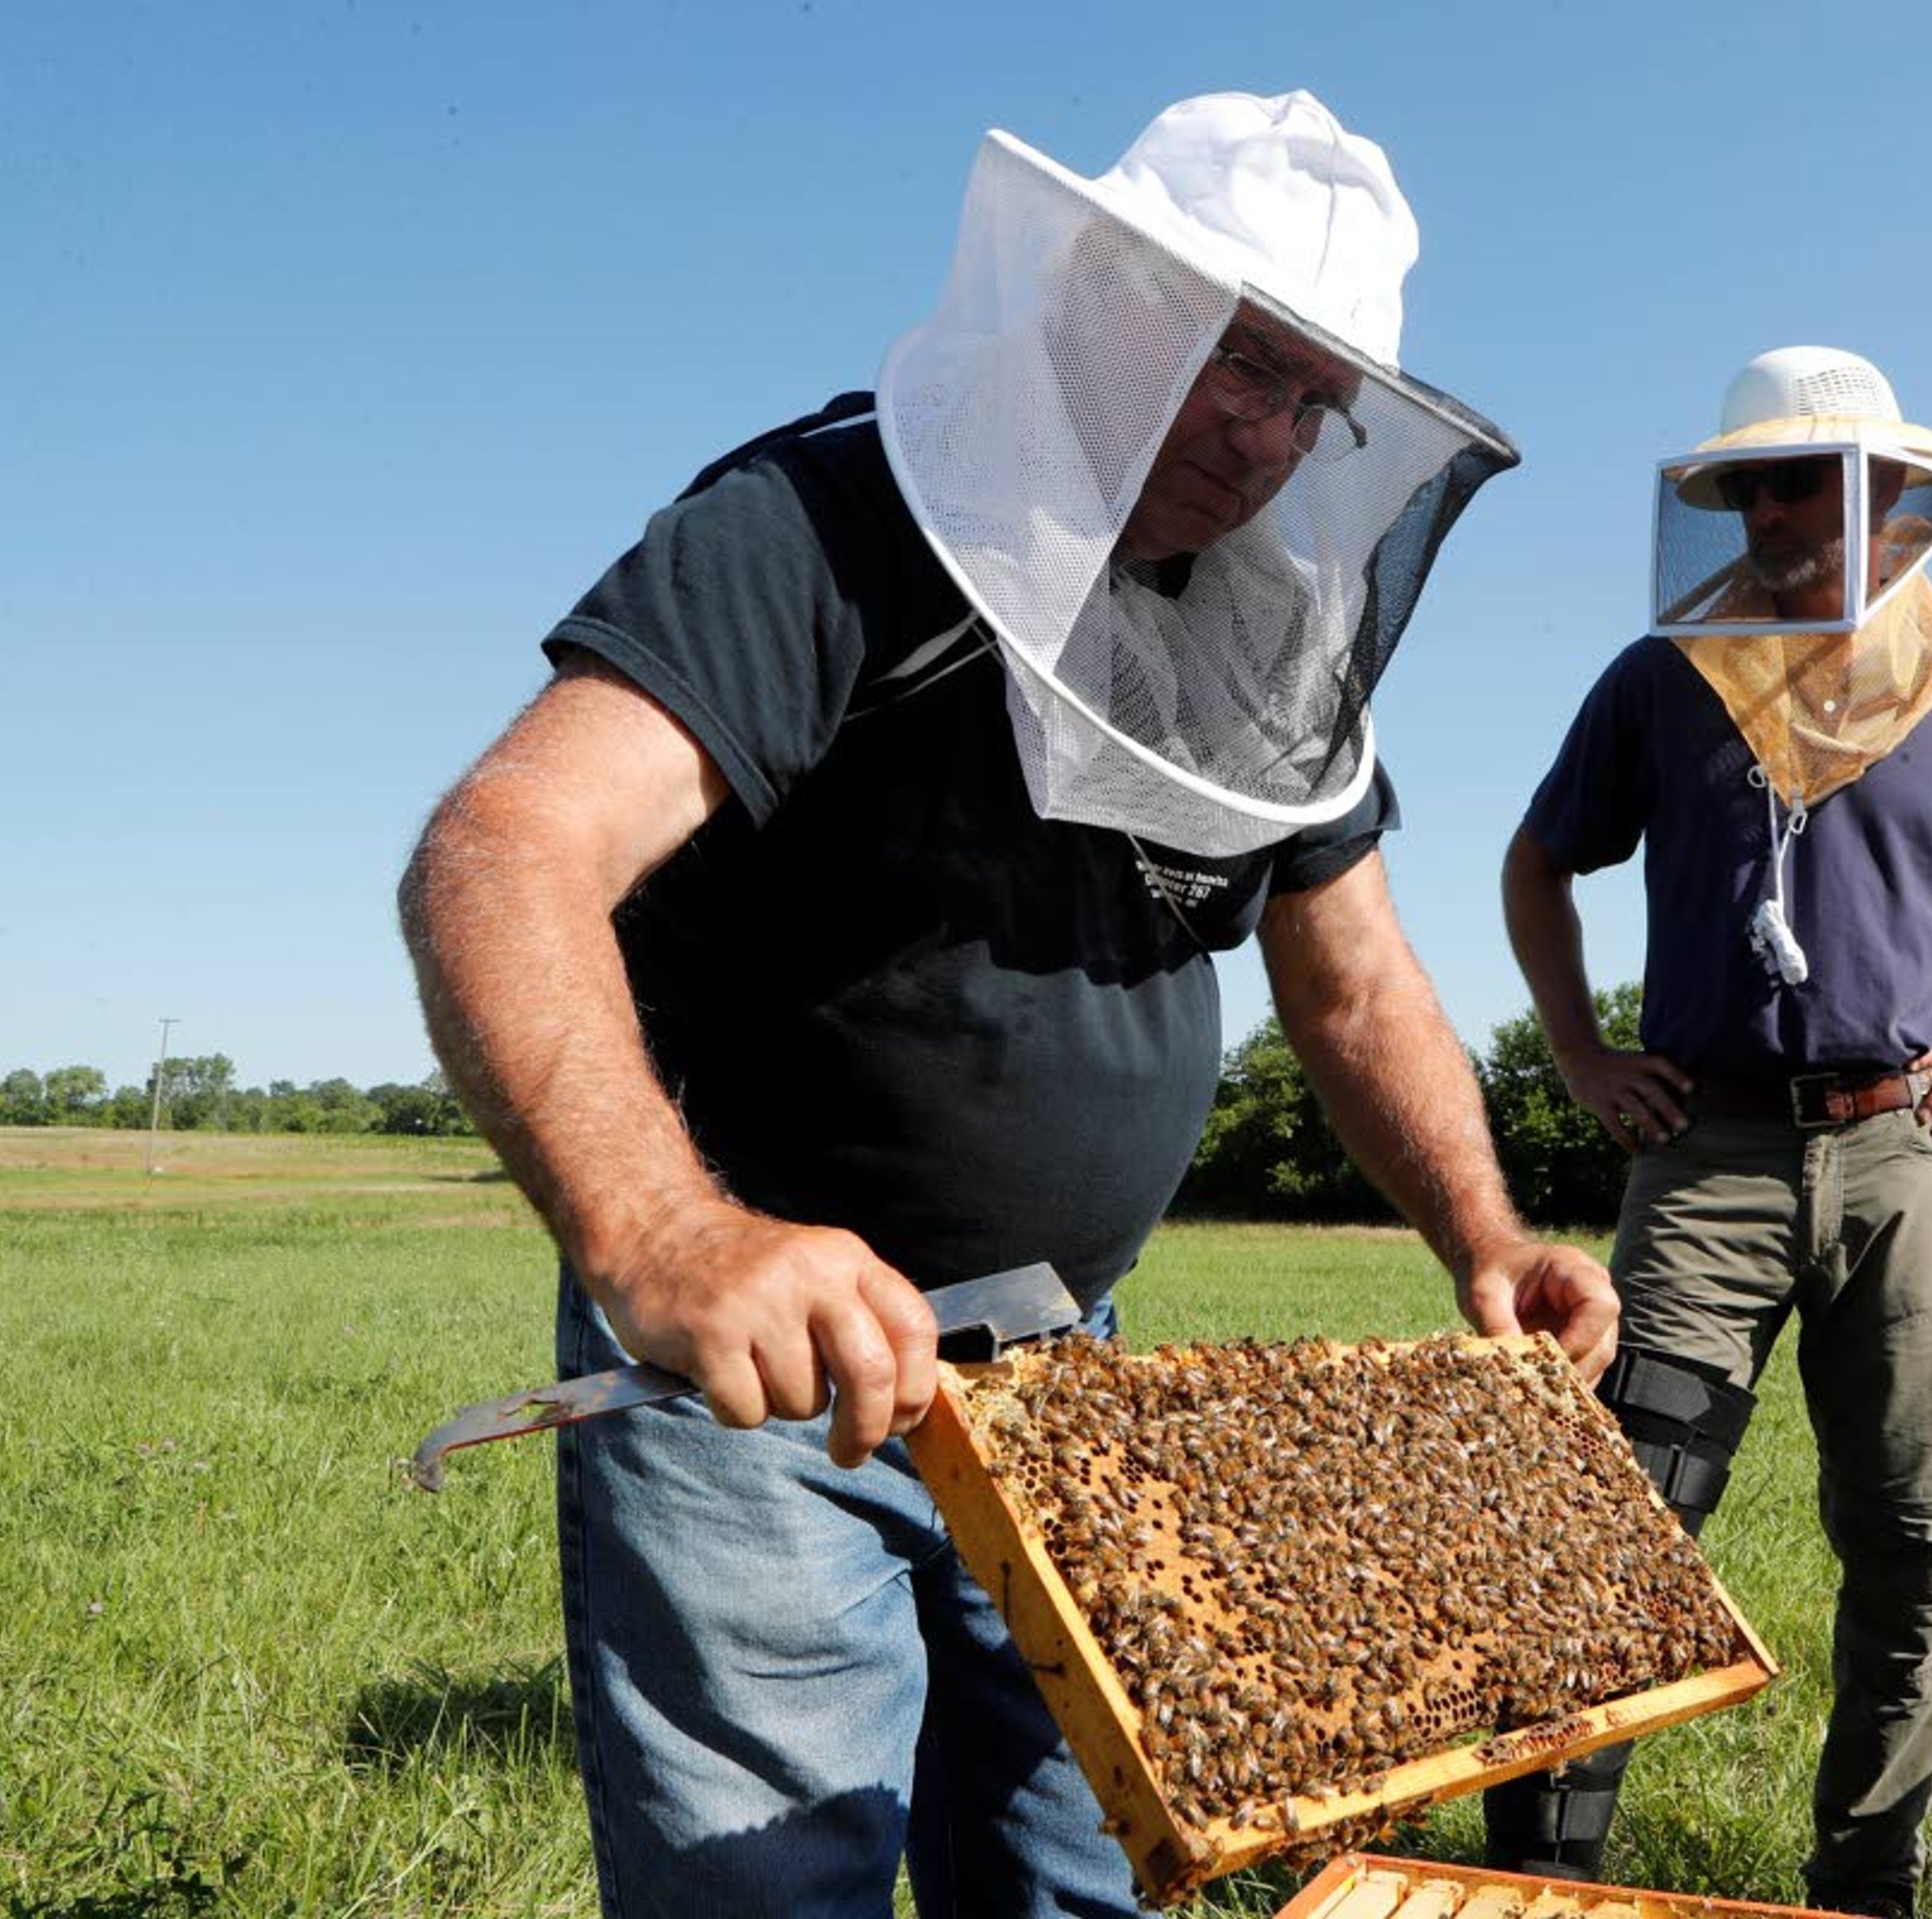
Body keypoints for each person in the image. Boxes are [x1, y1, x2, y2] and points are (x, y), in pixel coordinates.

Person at [396, 91, 1616, 1919]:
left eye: (1314, 401)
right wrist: (665, 1232)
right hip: (767, 1393)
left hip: (1069, 1368)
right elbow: (503, 847)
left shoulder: (1271, 632)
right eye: (1239, 361)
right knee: (776, 1888)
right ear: (1102, 288)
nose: (1268, 434)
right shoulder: (822, 520)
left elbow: (1353, 979)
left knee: (1081, 1877)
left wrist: (1485, 1231)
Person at [1491, 347, 1932, 1919]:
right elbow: (1537, 860)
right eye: (1753, 483)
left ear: (1887, 497)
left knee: (1917, 1536)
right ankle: (1545, 1885)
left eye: (1806, 479)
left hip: (1905, 1147)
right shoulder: (1664, 679)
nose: (1777, 509)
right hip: (1706, 1150)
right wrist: (1580, 1053)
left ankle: (1868, 1884)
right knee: (1616, 1516)